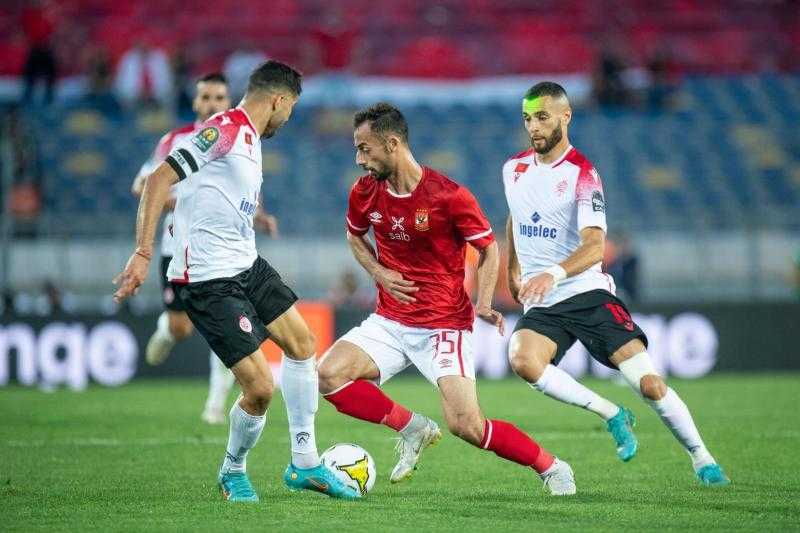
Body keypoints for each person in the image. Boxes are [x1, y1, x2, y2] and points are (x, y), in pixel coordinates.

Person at [113, 60, 359, 502]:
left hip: (246, 263)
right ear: (280, 100)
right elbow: (157, 179)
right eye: (291, 109)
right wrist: (144, 251)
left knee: (303, 346)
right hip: (207, 278)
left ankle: (305, 463)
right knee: (261, 388)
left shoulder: (250, 138)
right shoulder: (224, 128)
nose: (288, 119)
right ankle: (232, 470)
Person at [317, 103, 576, 496]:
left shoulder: (449, 196)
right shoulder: (365, 192)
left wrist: (484, 301)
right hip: (389, 320)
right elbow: (355, 235)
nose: (359, 159)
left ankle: (552, 467)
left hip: (442, 326)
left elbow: (489, 249)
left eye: (365, 149)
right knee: (329, 375)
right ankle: (413, 427)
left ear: (392, 143)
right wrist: (378, 272)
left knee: (467, 426)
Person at [504, 81, 729, 486]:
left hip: (586, 293)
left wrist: (551, 273)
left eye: (541, 116)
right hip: (543, 302)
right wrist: (512, 271)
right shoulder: (513, 169)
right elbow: (515, 218)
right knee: (522, 360)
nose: (533, 126)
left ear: (564, 116)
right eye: (527, 118)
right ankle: (611, 413)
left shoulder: (583, 174)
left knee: (649, 384)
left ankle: (702, 456)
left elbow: (594, 247)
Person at [132, 73, 277, 425]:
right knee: (181, 328)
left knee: (227, 329)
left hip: (221, 253)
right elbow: (143, 185)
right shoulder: (175, 140)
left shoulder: (240, 137)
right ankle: (167, 331)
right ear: (196, 103)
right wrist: (181, 199)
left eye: (219, 97)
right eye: (206, 97)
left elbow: (243, 191)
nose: (212, 103)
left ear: (228, 102)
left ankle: (214, 405)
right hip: (177, 248)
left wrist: (258, 215)